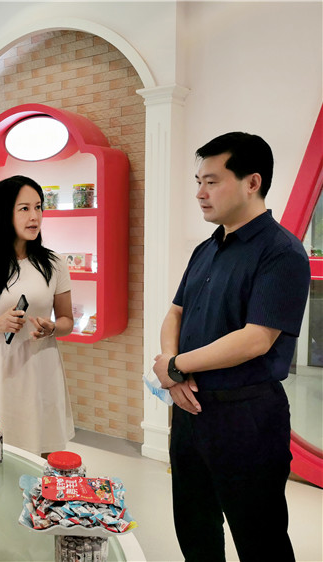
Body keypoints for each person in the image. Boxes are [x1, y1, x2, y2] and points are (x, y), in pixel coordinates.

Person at [152, 132, 310, 561]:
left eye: (212, 181)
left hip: (247, 418)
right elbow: (175, 313)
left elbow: (256, 339)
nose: (200, 194)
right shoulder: (206, 249)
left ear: (252, 182)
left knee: (260, 538)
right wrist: (172, 370)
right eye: (198, 182)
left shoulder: (281, 252)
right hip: (189, 410)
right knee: (194, 527)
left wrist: (175, 365)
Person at [0, 175, 75, 456]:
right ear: (3, 213)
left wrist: (52, 328)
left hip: (41, 367)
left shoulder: (55, 264)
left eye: (38, 207)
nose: (35, 216)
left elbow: (67, 321)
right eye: (24, 209)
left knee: (43, 451)